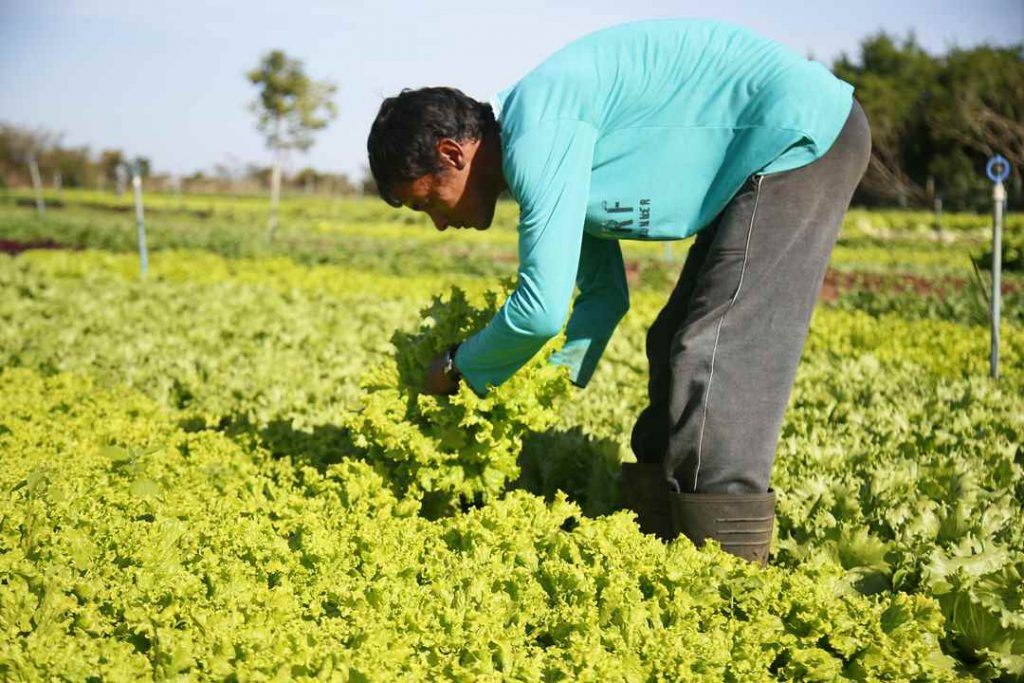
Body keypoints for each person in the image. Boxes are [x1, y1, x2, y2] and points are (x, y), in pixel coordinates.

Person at [366, 18, 871, 565]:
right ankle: (661, 538)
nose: (440, 223)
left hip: (798, 136)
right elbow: (604, 297)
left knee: (718, 352)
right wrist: (544, 382)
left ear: (452, 153)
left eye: (429, 202)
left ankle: (728, 571)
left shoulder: (539, 134)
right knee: (671, 340)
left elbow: (540, 312)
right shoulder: (545, 147)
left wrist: (457, 366)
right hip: (762, 151)